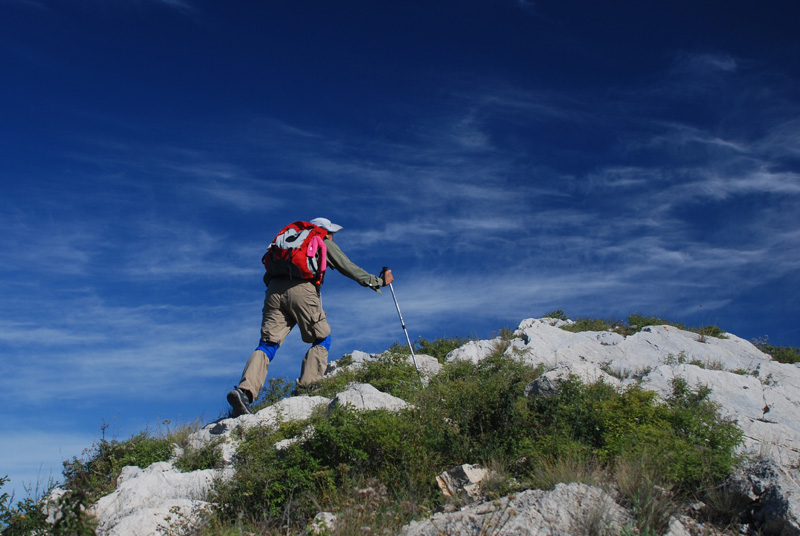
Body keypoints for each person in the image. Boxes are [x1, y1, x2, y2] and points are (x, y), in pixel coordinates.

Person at [227, 218, 393, 416]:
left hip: (273, 290)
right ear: (323, 230)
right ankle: (308, 388)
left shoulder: (288, 240)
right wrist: (378, 282)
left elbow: (267, 270)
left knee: (267, 344)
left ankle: (244, 392)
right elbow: (348, 267)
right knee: (322, 338)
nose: (332, 237)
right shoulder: (322, 241)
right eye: (331, 233)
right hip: (303, 289)